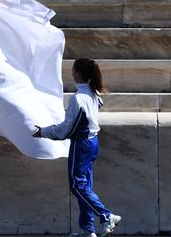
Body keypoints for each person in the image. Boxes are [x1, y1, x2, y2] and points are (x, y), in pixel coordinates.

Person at [32, 58, 121, 237]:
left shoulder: (78, 99)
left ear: (78, 73)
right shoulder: (93, 93)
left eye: (73, 70)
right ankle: (87, 229)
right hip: (92, 142)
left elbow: (65, 130)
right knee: (85, 186)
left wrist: (44, 132)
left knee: (77, 186)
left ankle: (106, 216)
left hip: (82, 144)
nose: (71, 72)